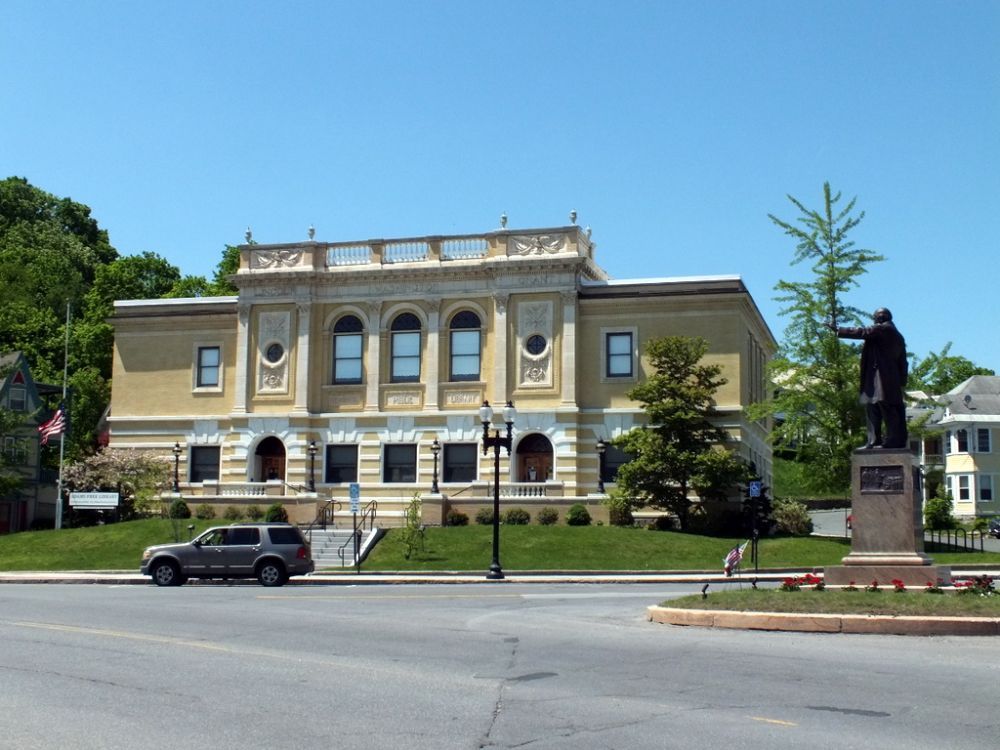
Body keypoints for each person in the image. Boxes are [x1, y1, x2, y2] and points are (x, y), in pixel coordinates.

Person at [827, 307, 908, 449]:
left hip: (881, 379)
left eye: (876, 317)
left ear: (881, 318)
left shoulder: (884, 329)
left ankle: (892, 440)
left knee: (885, 407)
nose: (875, 320)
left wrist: (838, 329)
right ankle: (874, 440)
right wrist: (901, 381)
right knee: (873, 407)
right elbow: (903, 362)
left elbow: (863, 332)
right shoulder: (899, 336)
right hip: (887, 380)